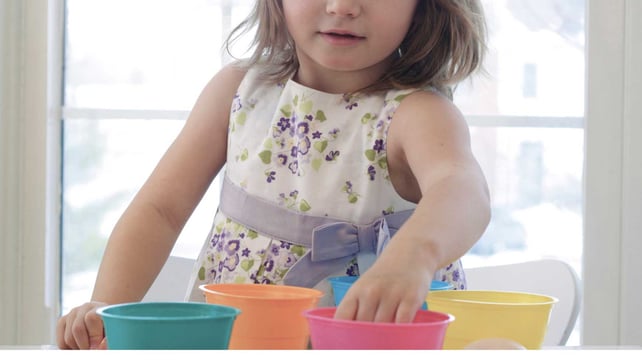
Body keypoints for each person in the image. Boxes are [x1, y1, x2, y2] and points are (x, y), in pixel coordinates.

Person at [57, 0, 491, 350]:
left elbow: (463, 190)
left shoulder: (418, 113)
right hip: (243, 342)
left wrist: (412, 257)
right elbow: (160, 210)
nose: (342, 6)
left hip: (373, 342)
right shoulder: (239, 91)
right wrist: (108, 307)